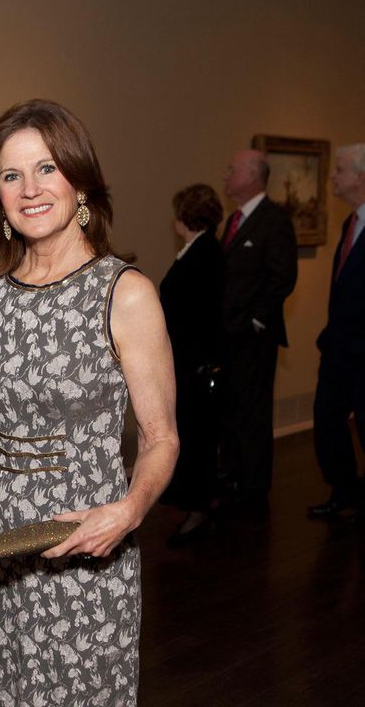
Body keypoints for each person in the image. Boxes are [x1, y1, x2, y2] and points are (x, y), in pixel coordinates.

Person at [0, 99, 178, 705]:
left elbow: (160, 438)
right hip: (3, 546)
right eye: (11, 175)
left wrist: (129, 510)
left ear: (80, 182)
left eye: (46, 168)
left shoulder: (125, 293)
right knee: (12, 691)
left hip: (88, 547)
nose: (30, 189)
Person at [220, 149, 298, 505]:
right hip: (229, 335)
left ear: (252, 176)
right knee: (234, 409)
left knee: (252, 411)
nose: (226, 175)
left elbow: (283, 277)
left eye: (232, 169)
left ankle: (253, 487)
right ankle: (235, 477)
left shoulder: (274, 219)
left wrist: (256, 321)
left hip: (253, 338)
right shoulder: (234, 219)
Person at [159, 184, 225, 545]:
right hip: (190, 362)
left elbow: (197, 313)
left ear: (183, 218)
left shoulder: (204, 254)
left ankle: (198, 509)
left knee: (197, 439)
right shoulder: (201, 249)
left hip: (194, 366)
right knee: (196, 437)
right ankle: (200, 502)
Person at [308, 143, 365, 521]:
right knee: (327, 421)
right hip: (339, 349)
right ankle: (345, 492)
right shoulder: (350, 223)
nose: (332, 178)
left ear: (360, 177)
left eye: (339, 170)